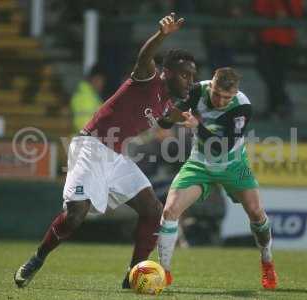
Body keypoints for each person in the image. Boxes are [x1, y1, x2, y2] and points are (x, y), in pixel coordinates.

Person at [14, 13, 197, 289]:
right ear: (167, 72)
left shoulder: (165, 102)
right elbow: (145, 56)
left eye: (193, 77)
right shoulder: (148, 79)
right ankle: (37, 258)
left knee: (152, 209)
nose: (190, 81)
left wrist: (185, 118)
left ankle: (132, 275)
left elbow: (167, 116)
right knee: (76, 215)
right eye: (185, 75)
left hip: (115, 157)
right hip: (90, 147)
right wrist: (162, 35)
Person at [156, 67, 278, 289]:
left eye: (226, 97)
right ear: (210, 85)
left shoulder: (242, 106)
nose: (221, 101)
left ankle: (267, 262)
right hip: (199, 163)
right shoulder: (195, 91)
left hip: (234, 164)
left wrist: (197, 126)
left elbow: (223, 146)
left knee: (256, 213)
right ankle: (163, 272)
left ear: (234, 94)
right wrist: (167, 116)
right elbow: (167, 120)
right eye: (217, 94)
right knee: (169, 211)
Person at [254, 0, 303, 119]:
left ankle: (273, 108)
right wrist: (273, 12)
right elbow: (259, 8)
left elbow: (296, 13)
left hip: (284, 39)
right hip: (268, 36)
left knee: (278, 75)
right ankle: (282, 102)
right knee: (267, 70)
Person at [70, 64, 107, 133]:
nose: (102, 85)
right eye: (102, 81)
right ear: (95, 79)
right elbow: (86, 125)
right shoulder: (86, 97)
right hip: (85, 140)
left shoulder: (87, 94)